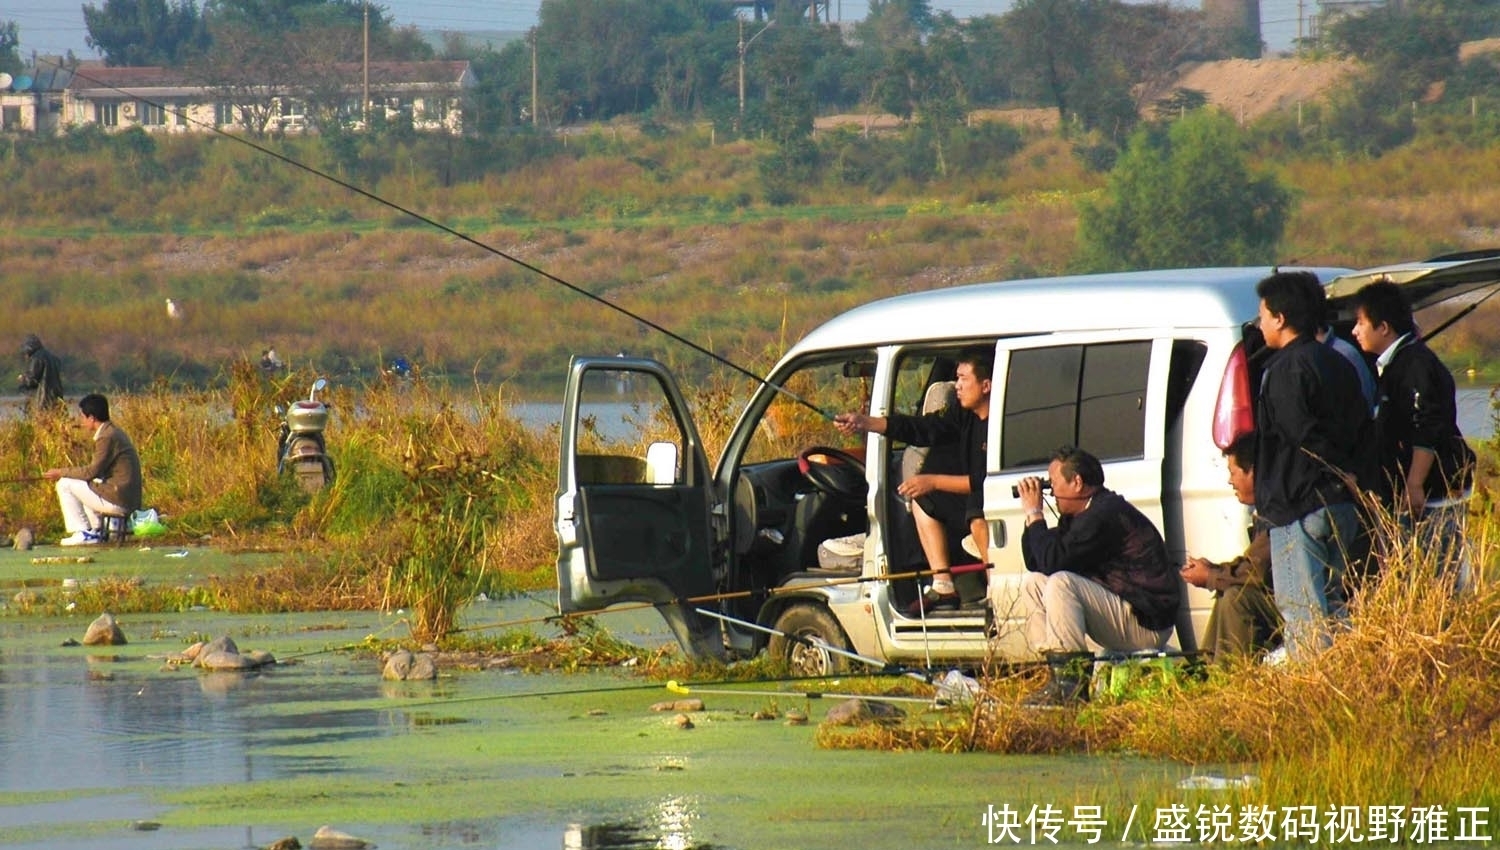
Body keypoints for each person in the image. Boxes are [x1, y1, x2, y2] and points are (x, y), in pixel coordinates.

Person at [1253, 271, 1369, 662]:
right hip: (1341, 506)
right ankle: (1351, 680)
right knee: (1335, 607)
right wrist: (1350, 475)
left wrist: (1332, 469)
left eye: (1263, 316)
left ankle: (1314, 693)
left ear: (1281, 318)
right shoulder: (1338, 363)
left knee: (1304, 616)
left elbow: (1300, 433)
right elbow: (1361, 427)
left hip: (1300, 506)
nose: (1260, 324)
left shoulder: (1284, 369)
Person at [1015, 445, 1182, 704]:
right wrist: (1030, 518)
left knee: (1061, 583)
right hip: (1124, 611)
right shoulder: (1081, 514)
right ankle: (1056, 675)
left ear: (1077, 482)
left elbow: (1053, 562)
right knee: (1034, 584)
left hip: (1146, 622)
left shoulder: (1104, 514)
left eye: (1054, 483)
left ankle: (1071, 687)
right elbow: (1036, 562)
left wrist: (1035, 512)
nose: (1050, 490)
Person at [834, 349, 993, 616]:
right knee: (923, 498)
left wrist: (935, 481)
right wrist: (867, 423)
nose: (957, 385)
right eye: (956, 378)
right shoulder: (963, 416)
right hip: (975, 497)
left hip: (996, 502)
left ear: (986, 386)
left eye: (964, 378)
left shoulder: (1000, 422)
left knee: (976, 511)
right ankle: (943, 585)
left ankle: (998, 594)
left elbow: (985, 482)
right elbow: (925, 428)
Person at [1350, 280, 1475, 582]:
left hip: (1434, 493)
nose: (1354, 331)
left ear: (1383, 327)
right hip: (1416, 493)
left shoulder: (1414, 364)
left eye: (1360, 322)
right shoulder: (1395, 364)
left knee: (1436, 578)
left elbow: (1427, 425)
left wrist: (1415, 483)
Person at [1180, 435, 1280, 663]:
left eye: (1233, 472)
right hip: (1280, 601)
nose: (1230, 481)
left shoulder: (1276, 514)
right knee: (1228, 589)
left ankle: (1229, 679)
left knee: (1237, 596)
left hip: (1300, 607)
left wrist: (1210, 576)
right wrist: (1213, 571)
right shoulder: (1265, 512)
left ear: (1253, 472)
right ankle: (1206, 671)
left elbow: (1255, 572)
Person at [42, 394, 143, 547]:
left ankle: (82, 531)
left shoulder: (106, 437)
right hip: (125, 496)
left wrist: (61, 472)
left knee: (64, 484)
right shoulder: (113, 431)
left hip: (120, 498)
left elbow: (91, 471)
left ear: (92, 418)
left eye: (82, 417)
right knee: (89, 483)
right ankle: (96, 530)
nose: (81, 421)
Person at [18, 334, 64, 410]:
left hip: (41, 401)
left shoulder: (36, 358)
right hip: (56, 398)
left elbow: (32, 380)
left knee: (38, 420)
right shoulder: (53, 357)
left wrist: (23, 378)